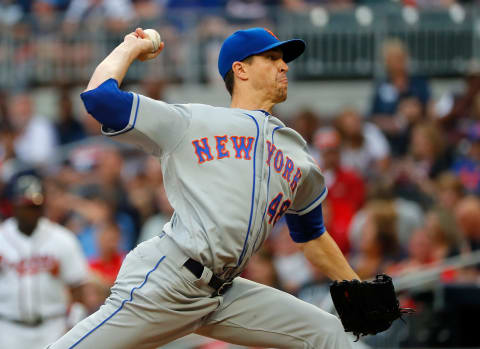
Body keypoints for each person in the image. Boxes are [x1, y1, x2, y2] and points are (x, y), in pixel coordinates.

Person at [47, 27, 361, 349]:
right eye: (272, 58)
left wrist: (353, 284)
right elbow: (99, 98)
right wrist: (129, 48)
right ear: (240, 69)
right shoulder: (192, 122)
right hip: (169, 280)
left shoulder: (296, 153)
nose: (284, 66)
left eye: (283, 60)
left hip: (224, 294)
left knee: (327, 333)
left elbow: (310, 233)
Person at [0, 172, 89, 348]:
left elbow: (78, 287)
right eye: (25, 206)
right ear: (13, 206)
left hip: (53, 327)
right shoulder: (2, 237)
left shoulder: (62, 239)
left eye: (35, 206)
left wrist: (73, 326)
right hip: (8, 329)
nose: (30, 212)